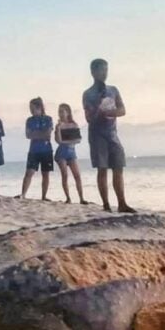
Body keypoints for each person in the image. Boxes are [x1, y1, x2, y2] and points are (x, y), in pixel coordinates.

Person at [82, 58, 135, 213]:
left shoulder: (113, 90)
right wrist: (98, 108)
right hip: (97, 135)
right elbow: (88, 118)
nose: (104, 74)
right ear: (93, 72)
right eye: (100, 70)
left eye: (106, 70)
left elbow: (123, 110)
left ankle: (122, 203)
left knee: (118, 166)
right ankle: (106, 204)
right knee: (102, 168)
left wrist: (111, 112)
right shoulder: (88, 94)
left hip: (112, 134)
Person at [19, 97, 53, 200]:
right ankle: (23, 194)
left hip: (46, 150)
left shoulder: (48, 119)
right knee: (29, 172)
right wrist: (40, 134)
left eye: (32, 108)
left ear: (39, 107)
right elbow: (28, 135)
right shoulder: (29, 120)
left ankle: (44, 196)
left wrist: (36, 134)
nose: (31, 110)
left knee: (45, 174)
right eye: (30, 108)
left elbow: (48, 135)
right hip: (34, 150)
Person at [54, 103, 88, 204]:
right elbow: (58, 141)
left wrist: (67, 141)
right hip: (62, 152)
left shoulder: (74, 124)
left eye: (62, 111)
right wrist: (59, 129)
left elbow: (78, 140)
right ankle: (68, 198)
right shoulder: (59, 126)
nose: (60, 114)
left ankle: (81, 198)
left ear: (67, 112)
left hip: (71, 152)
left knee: (77, 175)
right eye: (59, 111)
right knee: (65, 175)